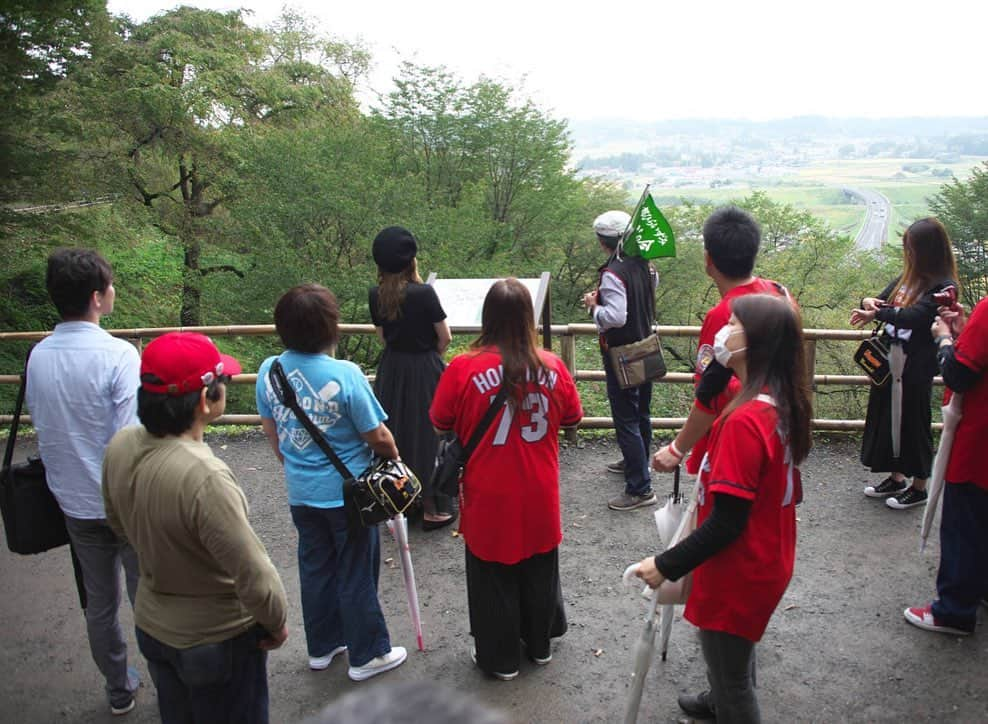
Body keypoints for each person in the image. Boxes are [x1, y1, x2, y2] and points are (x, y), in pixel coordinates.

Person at [636, 294, 812, 723]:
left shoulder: (745, 422)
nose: (722, 331)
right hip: (768, 553)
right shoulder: (775, 399)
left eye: (731, 324)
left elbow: (728, 522)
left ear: (754, 343)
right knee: (736, 649)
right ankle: (718, 698)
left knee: (731, 670)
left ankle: (726, 701)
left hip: (740, 565)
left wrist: (666, 564)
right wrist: (717, 371)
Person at [102, 332, 289, 723]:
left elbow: (118, 524)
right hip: (215, 639)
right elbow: (252, 572)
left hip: (153, 625)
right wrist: (275, 621)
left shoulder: (119, 445)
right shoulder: (204, 475)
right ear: (206, 399)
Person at [430, 278, 583, 681]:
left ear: (488, 317)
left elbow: (440, 420)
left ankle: (499, 659)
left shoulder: (464, 367)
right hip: (539, 485)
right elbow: (573, 417)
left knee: (491, 572)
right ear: (528, 318)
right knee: (538, 563)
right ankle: (539, 645)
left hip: (489, 489)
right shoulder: (552, 364)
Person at [256, 284, 407, 681]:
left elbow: (273, 435)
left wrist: (297, 468)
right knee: (356, 569)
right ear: (331, 327)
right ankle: (367, 655)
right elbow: (378, 436)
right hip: (349, 495)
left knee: (316, 567)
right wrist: (395, 460)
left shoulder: (269, 371)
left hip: (301, 492)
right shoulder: (345, 374)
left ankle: (323, 647)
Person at [24, 248, 142, 716]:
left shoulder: (38, 355)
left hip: (72, 499)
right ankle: (168, 672)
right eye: (110, 285)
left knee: (100, 603)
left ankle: (118, 687)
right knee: (147, 594)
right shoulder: (118, 355)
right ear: (97, 297)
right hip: (123, 501)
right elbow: (129, 439)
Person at [652, 206, 791, 478]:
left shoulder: (724, 315)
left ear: (708, 259)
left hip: (737, 431)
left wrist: (678, 449)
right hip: (778, 424)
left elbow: (709, 392)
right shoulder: (778, 292)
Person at [851, 217, 959, 510]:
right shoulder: (908, 278)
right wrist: (869, 301)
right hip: (889, 363)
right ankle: (896, 477)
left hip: (915, 366)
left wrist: (878, 313)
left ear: (927, 250)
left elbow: (915, 317)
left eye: (912, 248)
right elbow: (882, 301)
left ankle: (920, 485)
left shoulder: (943, 286)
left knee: (914, 422)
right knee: (888, 418)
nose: (908, 253)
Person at [903, 296, 988, 635]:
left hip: (979, 439)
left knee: (964, 525)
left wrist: (945, 338)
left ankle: (953, 610)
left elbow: (957, 374)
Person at [368, 225, 453, 531]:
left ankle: (398, 499)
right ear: (411, 260)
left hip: (392, 368)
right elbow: (445, 337)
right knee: (427, 433)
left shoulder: (376, 294)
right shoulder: (424, 293)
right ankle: (431, 506)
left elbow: (382, 337)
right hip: (424, 367)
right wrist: (431, 357)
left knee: (395, 428)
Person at [583, 210, 658, 511]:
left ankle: (640, 487)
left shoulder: (613, 272)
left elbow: (615, 317)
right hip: (646, 345)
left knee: (626, 418)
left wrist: (593, 307)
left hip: (622, 353)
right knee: (641, 412)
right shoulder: (646, 266)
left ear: (603, 241)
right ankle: (637, 463)